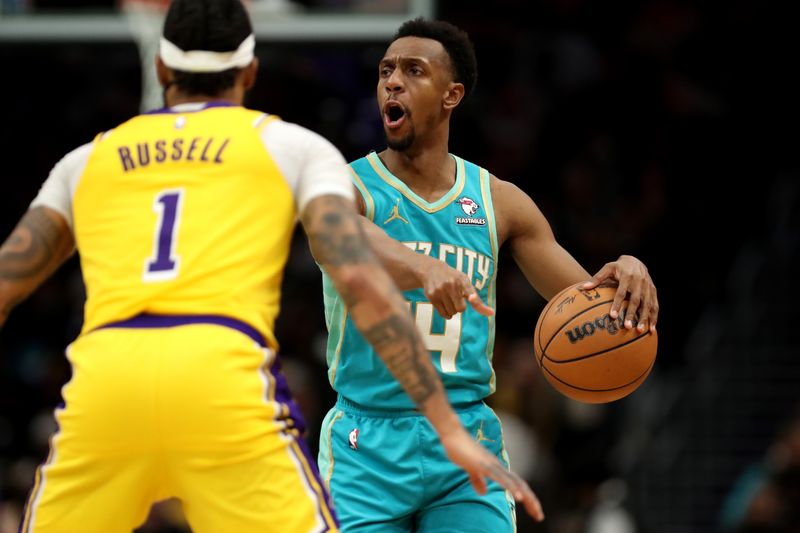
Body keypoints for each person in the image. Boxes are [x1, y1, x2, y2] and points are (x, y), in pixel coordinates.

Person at [0, 3, 543, 532]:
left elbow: (7, 280)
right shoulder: (291, 147)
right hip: (222, 379)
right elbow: (357, 277)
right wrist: (445, 422)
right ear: (251, 69)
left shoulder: (86, 159)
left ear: (161, 68)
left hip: (107, 382)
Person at [317, 17, 659, 532]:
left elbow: (585, 302)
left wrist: (628, 272)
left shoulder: (500, 202)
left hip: (466, 438)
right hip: (366, 443)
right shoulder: (346, 186)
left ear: (451, 95)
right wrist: (422, 265)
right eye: (386, 70)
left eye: (413, 71)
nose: (392, 81)